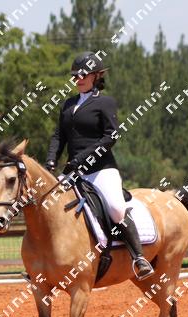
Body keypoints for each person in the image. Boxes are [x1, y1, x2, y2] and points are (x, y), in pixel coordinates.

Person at [45, 51, 154, 280]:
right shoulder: (68, 104)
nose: (78, 79)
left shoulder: (105, 103)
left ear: (96, 76)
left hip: (101, 170)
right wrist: (51, 161)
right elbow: (58, 136)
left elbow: (110, 137)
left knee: (115, 208)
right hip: (74, 172)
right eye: (75, 76)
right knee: (49, 207)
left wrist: (81, 159)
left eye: (83, 75)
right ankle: (43, 264)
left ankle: (139, 258)